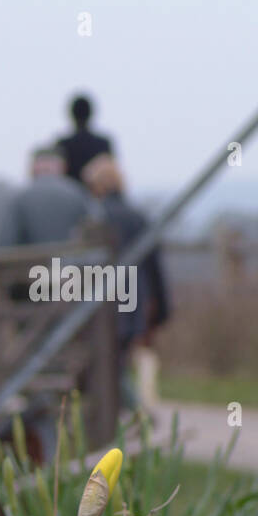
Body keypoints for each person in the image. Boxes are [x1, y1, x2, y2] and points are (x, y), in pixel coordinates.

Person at [82, 154, 170, 410]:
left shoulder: (95, 217)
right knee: (125, 359)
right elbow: (154, 266)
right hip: (137, 298)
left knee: (110, 363)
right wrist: (160, 308)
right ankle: (136, 413)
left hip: (105, 301)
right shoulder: (137, 216)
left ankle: (134, 413)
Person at [0, 147, 93, 247]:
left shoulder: (19, 196)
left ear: (34, 168)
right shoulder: (78, 193)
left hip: (30, 261)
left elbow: (5, 239)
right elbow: (93, 226)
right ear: (62, 166)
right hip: (70, 260)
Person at [57, 94, 113, 185]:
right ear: (91, 114)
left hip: (69, 195)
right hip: (96, 196)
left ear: (71, 115)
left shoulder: (63, 144)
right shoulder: (103, 144)